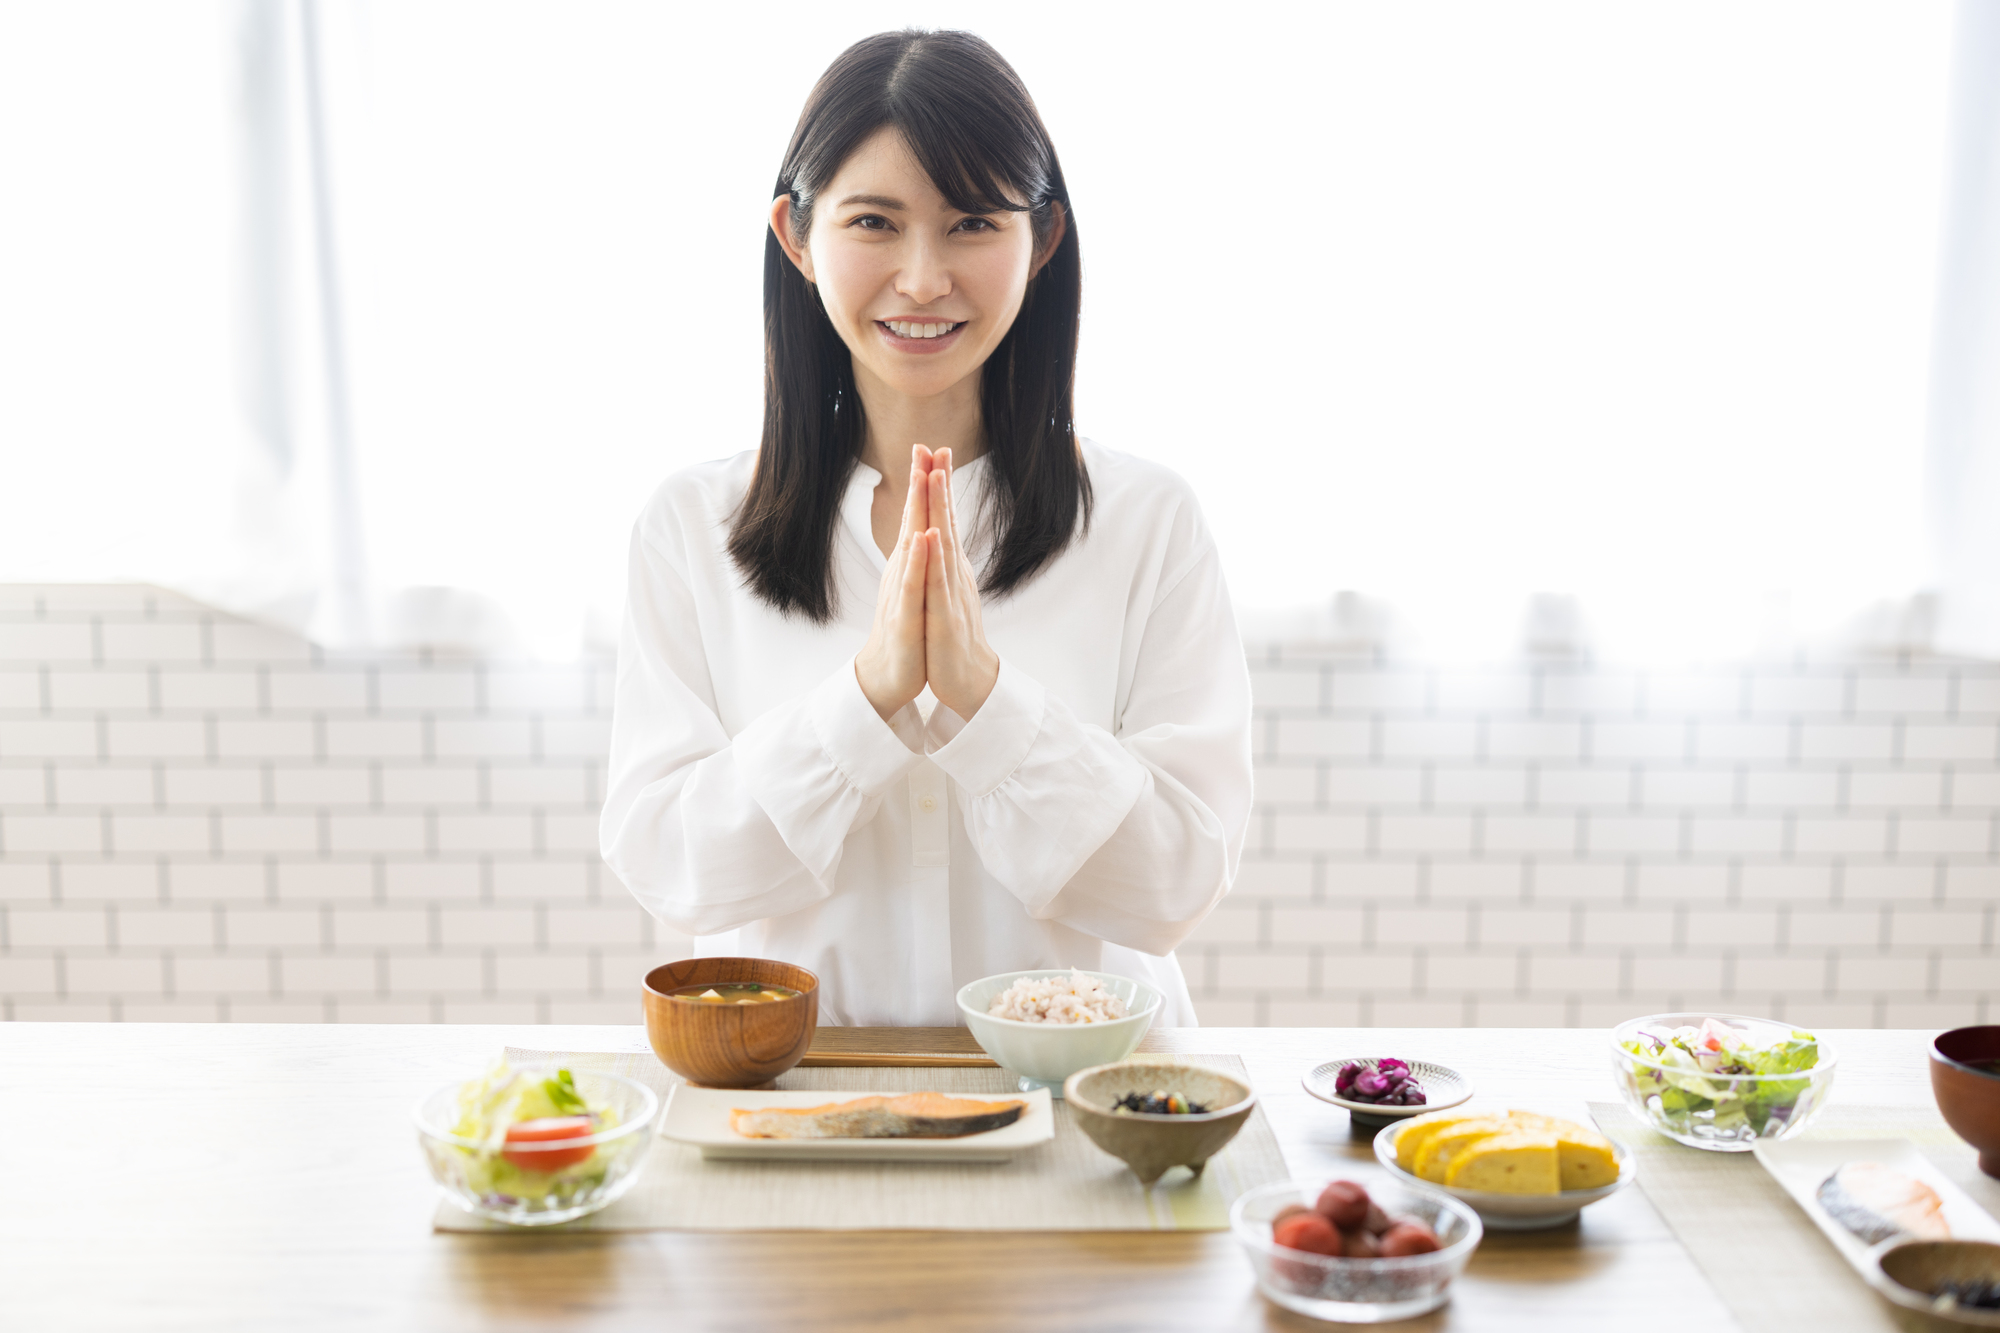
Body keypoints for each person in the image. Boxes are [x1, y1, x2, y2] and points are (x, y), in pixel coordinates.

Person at [600, 29, 1252, 1026]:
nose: (919, 279)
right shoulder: (690, 527)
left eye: (970, 224)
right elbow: (674, 865)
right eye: (873, 221)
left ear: (1039, 241)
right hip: (798, 1103)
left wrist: (986, 706)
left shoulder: (1144, 520)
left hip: (1088, 1112)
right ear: (795, 236)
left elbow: (1174, 885)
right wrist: (863, 704)